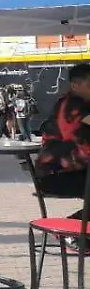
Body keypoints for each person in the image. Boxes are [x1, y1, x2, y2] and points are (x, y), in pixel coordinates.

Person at [34, 63, 90, 223]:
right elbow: (79, 140)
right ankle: (73, 229)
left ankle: (73, 229)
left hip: (74, 170)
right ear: (75, 85)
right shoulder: (71, 107)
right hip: (56, 174)